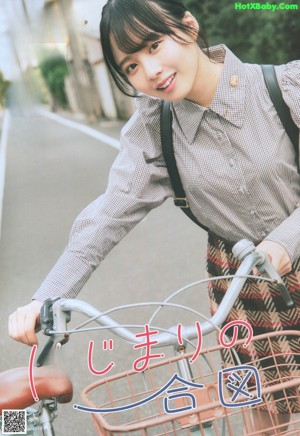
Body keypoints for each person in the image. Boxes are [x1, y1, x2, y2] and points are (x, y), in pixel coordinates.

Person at [8, 0, 300, 434]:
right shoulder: (154, 129)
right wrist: (46, 297)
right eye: (130, 66)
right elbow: (109, 212)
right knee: (264, 415)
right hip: (243, 285)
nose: (149, 69)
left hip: (281, 254)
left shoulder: (285, 87)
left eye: (154, 44)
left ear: (189, 25)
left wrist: (285, 239)